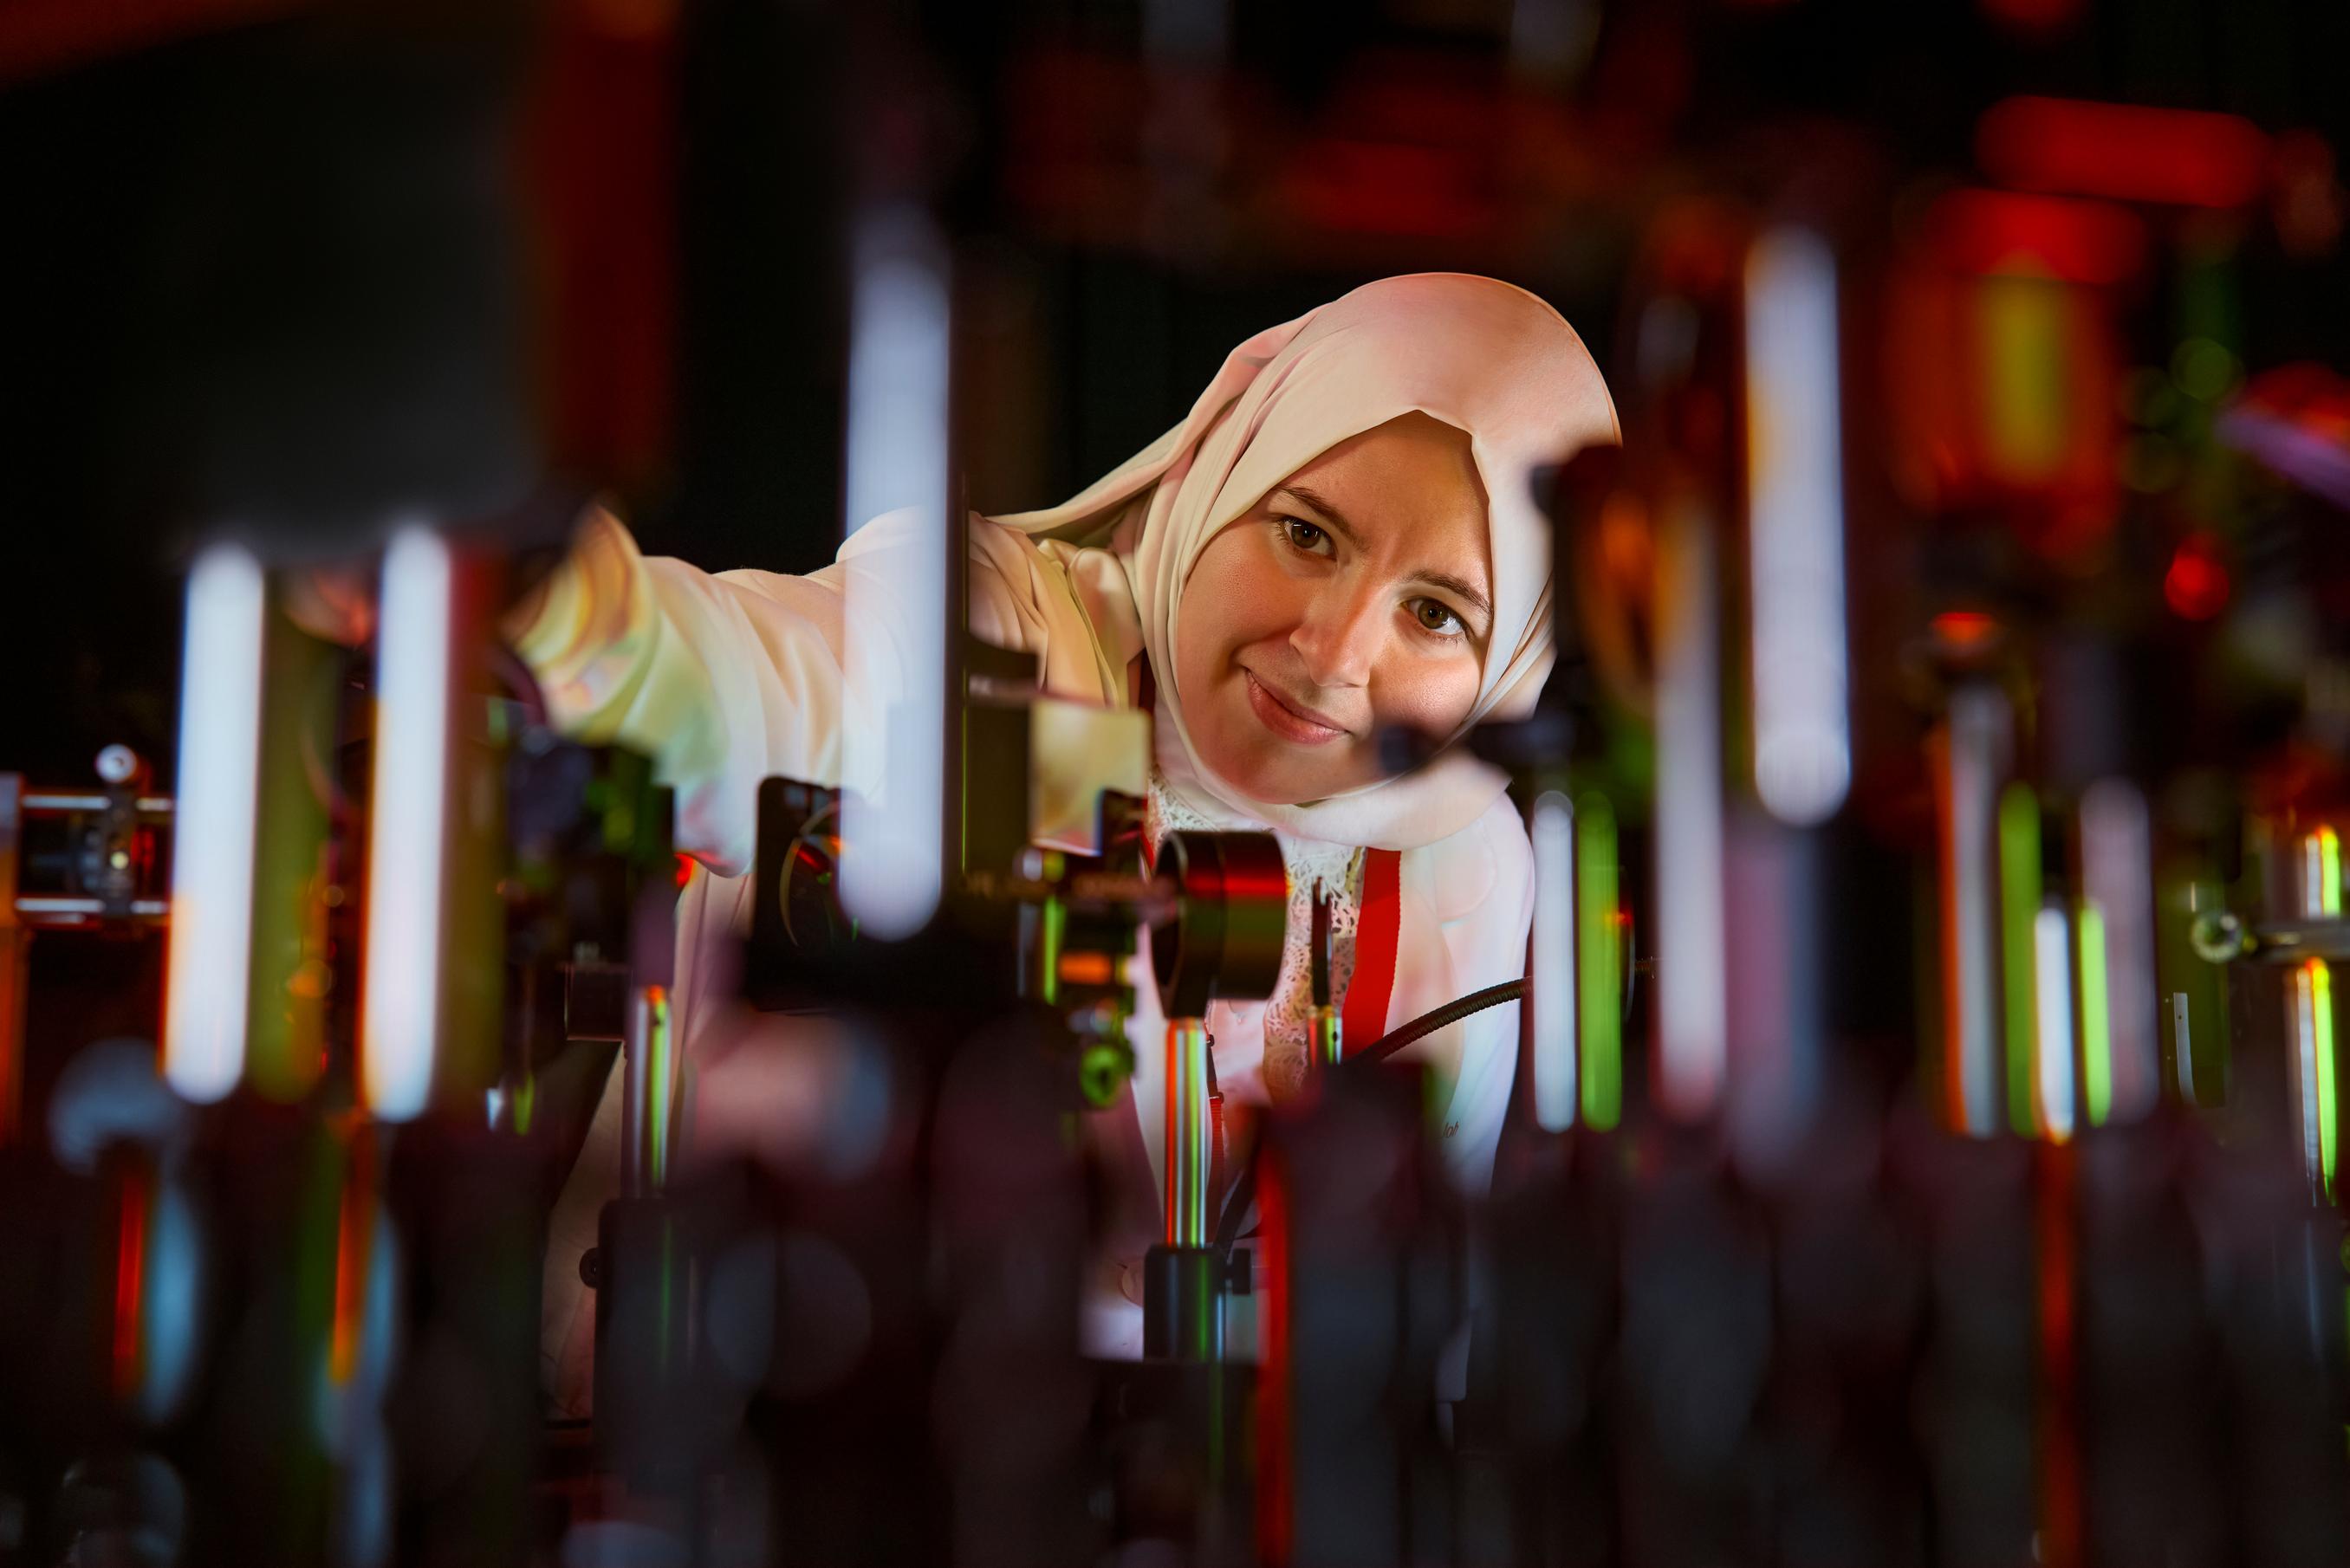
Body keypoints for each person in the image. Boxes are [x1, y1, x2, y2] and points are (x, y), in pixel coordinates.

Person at [516, 272, 1618, 1406]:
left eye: (1436, 613)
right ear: (1222, 468)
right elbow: (775, 680)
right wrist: (563, 624)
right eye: (1305, 533)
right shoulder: (1015, 646)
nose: (1333, 651)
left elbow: (1407, 1341)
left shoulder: (1459, 865)